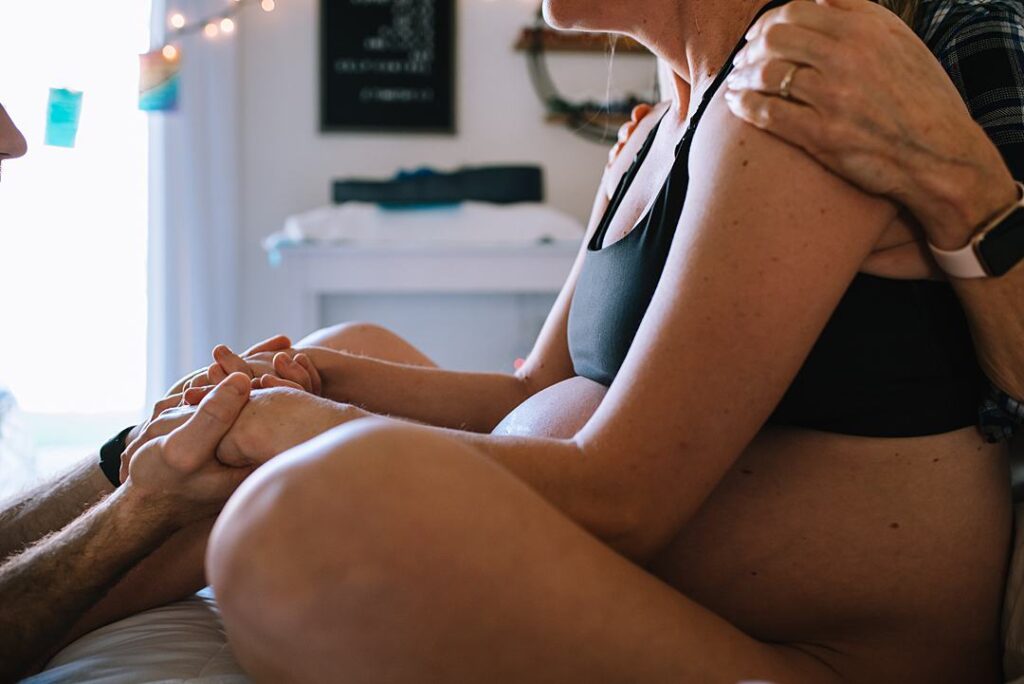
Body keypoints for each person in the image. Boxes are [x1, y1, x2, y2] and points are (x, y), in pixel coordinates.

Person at [0, 0, 1022, 676]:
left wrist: (300, 429)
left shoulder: (801, 87)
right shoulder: (659, 118)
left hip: (807, 652)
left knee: (297, 516)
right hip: (663, 578)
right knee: (319, 364)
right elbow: (540, 382)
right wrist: (315, 379)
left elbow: (625, 498)